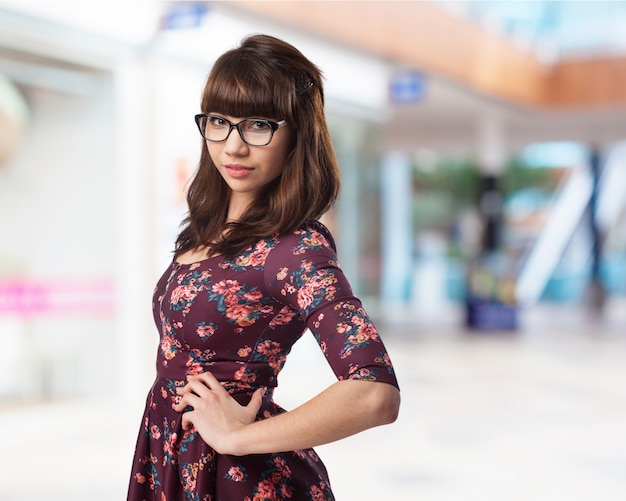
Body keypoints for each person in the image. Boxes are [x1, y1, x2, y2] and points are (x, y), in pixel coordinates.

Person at [127, 34, 400, 501]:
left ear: (296, 133)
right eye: (219, 122)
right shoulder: (205, 229)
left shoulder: (293, 249)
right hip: (169, 457)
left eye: (258, 125)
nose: (233, 146)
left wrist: (236, 438)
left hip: (238, 478)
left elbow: (374, 392)